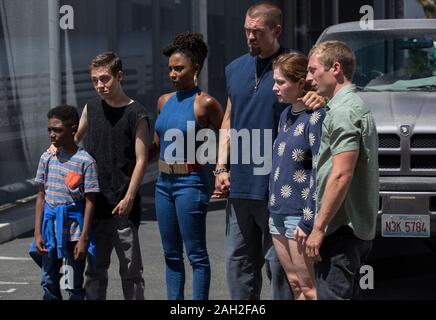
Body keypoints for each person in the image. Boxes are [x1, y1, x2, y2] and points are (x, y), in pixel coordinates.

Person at [213, 2, 326, 300]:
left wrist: (316, 96)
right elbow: (228, 118)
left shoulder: (292, 67)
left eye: (257, 32)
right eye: (247, 31)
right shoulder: (234, 69)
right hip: (240, 184)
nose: (250, 37)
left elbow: (315, 95)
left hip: (279, 188)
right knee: (237, 264)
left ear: (276, 30)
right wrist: (221, 167)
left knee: (280, 270)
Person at [149, 32, 224, 300]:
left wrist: (222, 172)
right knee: (170, 254)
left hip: (191, 183)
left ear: (196, 68)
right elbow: (156, 146)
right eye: (170, 68)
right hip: (163, 184)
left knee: (196, 255)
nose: (172, 73)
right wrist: (129, 161)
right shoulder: (163, 101)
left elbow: (227, 138)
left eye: (179, 68)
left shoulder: (205, 103)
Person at [305, 40, 379, 300]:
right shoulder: (344, 106)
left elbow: (341, 174)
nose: (308, 78)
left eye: (313, 70)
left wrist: (318, 228)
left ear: (335, 68)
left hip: (340, 230)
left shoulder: (344, 111)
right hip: (349, 228)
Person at [78, 52, 150, 300]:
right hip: (95, 204)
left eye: (105, 79)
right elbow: (75, 141)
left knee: (131, 272)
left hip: (123, 206)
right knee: (95, 270)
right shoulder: (91, 107)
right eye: (95, 80)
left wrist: (129, 197)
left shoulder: (136, 113)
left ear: (119, 76)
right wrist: (57, 147)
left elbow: (142, 160)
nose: (100, 85)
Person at [269, 52, 325, 300]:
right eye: (275, 81)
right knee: (294, 283)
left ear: (301, 83)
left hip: (299, 215)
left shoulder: (316, 117)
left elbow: (319, 171)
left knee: (309, 288)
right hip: (277, 212)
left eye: (281, 82)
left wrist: (308, 220)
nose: (275, 88)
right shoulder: (285, 115)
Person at [30, 105, 99, 300]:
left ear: (74, 129)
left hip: (74, 234)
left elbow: (90, 201)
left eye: (58, 130)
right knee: (48, 280)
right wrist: (37, 233)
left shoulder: (85, 161)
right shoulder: (47, 158)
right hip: (49, 231)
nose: (52, 134)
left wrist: (84, 238)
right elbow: (41, 196)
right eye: (50, 130)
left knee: (72, 283)